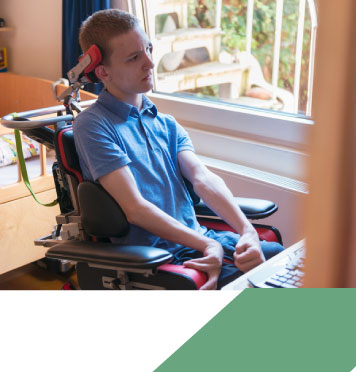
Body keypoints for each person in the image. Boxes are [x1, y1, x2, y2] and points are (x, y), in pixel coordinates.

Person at [72, 9, 283, 289]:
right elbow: (135, 209)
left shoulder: (166, 124)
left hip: (200, 239)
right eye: (134, 58)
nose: (150, 62)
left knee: (278, 260)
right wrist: (207, 245)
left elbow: (203, 179)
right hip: (161, 256)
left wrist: (247, 231)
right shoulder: (93, 125)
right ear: (102, 71)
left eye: (147, 49)